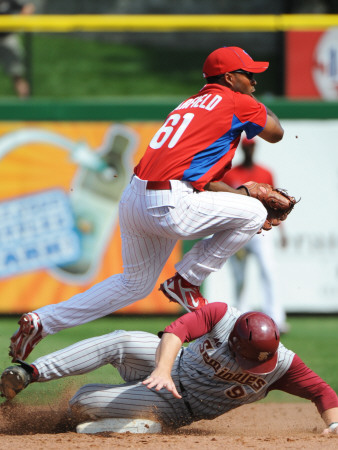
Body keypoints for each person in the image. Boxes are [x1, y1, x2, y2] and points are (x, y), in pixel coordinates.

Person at [9, 46, 285, 362]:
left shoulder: (190, 105)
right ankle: (187, 280)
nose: (254, 81)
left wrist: (245, 197)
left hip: (135, 199)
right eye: (248, 74)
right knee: (255, 212)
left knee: (134, 284)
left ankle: (43, 321)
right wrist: (251, 201)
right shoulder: (236, 101)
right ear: (229, 77)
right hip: (168, 202)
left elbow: (205, 181)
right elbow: (276, 133)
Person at [1, 303, 338, 435]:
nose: (252, 364)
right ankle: (29, 372)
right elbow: (176, 332)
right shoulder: (222, 317)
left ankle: (149, 425)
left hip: (177, 404)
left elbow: (323, 392)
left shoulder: (283, 365)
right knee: (121, 339)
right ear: (233, 340)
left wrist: (334, 424)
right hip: (170, 362)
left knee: (81, 401)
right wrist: (162, 369)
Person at [223, 137, 289, 333]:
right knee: (240, 277)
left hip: (262, 230)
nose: (249, 151)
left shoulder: (265, 172)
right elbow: (225, 204)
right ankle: (240, 319)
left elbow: (276, 204)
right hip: (238, 230)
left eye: (251, 147)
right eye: (246, 148)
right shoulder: (231, 174)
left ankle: (276, 318)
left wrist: (282, 231)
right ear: (242, 149)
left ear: (255, 148)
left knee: (268, 270)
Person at [0, 0, 34, 98]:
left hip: (8, 38)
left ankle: (25, 104)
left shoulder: (8, 2)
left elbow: (28, 8)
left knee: (17, 74)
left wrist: (19, 21)